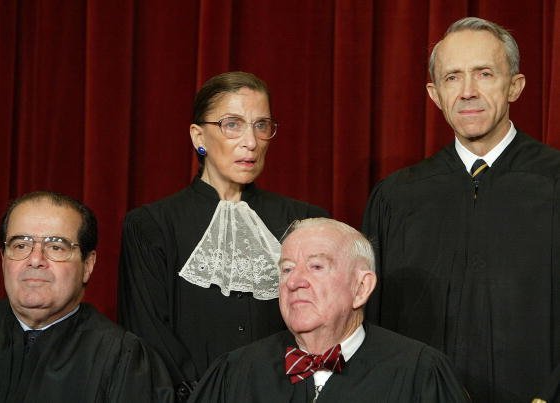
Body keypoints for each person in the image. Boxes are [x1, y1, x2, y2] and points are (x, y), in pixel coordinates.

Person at [362, 17, 560, 402]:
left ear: (514, 87)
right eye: (452, 78)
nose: (467, 92)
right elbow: (373, 321)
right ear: (435, 94)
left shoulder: (554, 182)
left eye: (484, 74)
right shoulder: (398, 197)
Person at [117, 71, 329, 400]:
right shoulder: (152, 225)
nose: (251, 141)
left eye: (261, 125)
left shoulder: (305, 222)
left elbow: (326, 322)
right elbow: (148, 336)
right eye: (232, 124)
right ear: (198, 136)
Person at [188, 217, 469, 402]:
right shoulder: (237, 373)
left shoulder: (419, 374)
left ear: (361, 287)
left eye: (316, 267)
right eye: (286, 269)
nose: (295, 281)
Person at [0, 191, 174, 403]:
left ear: (87, 265)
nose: (36, 259)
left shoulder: (122, 358)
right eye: (21, 246)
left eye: (56, 247)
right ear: (3, 259)